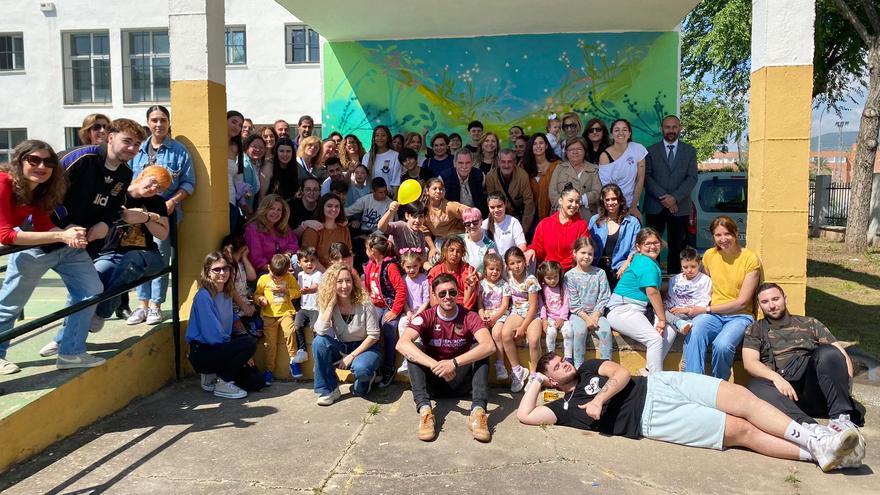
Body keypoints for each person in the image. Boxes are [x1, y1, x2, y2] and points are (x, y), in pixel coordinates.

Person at [519, 354, 866, 473]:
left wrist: (599, 400)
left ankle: (817, 439)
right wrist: (534, 380)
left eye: (559, 358)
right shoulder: (561, 409)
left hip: (659, 385)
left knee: (741, 397)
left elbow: (622, 374)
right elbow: (525, 416)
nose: (561, 362)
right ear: (551, 377)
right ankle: (815, 454)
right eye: (552, 366)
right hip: (653, 421)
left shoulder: (590, 366)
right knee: (741, 431)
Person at [0, 141, 104, 373]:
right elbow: (6, 236)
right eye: (34, 160)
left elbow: (44, 225)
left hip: (37, 245)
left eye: (48, 162)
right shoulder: (3, 182)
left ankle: (71, 353)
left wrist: (71, 234)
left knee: (91, 290)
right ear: (19, 161)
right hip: (21, 247)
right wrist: (61, 236)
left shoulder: (41, 189)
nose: (41, 166)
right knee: (9, 306)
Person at [744, 283, 864, 427]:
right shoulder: (755, 329)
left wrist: (846, 388)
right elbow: (750, 363)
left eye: (776, 299)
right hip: (786, 393)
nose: (771, 305)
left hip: (814, 385)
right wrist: (776, 378)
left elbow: (840, 354)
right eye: (765, 302)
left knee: (827, 352)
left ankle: (841, 420)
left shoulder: (810, 323)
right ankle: (809, 426)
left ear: (785, 299)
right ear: (759, 305)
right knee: (755, 386)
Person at [396, 273, 496, 442]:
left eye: (452, 292)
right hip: (434, 381)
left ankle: (478, 412)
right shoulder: (426, 316)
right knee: (414, 349)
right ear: (434, 296)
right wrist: (437, 365)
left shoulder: (469, 316)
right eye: (442, 293)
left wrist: (453, 363)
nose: (448, 297)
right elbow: (402, 344)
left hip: (461, 379)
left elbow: (489, 345)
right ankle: (425, 411)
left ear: (458, 293)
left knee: (480, 350)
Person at [130, 105, 195, 324]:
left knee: (159, 255)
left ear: (169, 122)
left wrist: (172, 201)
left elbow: (189, 183)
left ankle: (156, 305)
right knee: (139, 253)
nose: (159, 124)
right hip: (137, 212)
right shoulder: (137, 150)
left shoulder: (179, 150)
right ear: (148, 122)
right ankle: (142, 305)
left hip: (164, 213)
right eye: (155, 120)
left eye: (163, 120)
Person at [90, 166, 171, 331]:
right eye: (154, 181)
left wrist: (146, 218)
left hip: (147, 255)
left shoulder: (157, 202)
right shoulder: (118, 195)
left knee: (132, 259)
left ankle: (101, 314)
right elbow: (125, 216)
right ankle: (65, 338)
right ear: (142, 175)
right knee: (92, 278)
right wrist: (147, 216)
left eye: (160, 188)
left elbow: (163, 234)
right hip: (112, 253)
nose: (154, 188)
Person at [679, 216, 761, 380]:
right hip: (713, 315)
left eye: (727, 234)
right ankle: (693, 383)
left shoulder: (750, 258)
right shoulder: (710, 255)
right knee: (694, 332)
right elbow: (702, 285)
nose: (723, 239)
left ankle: (719, 386)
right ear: (713, 237)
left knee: (722, 345)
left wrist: (706, 309)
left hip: (740, 316)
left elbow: (742, 302)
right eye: (718, 235)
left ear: (736, 233)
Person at [186, 251, 258, 399]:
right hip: (203, 352)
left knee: (256, 382)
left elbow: (233, 322)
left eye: (225, 268)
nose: (222, 272)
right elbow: (213, 335)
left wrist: (244, 353)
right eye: (216, 269)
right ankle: (222, 382)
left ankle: (213, 377)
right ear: (208, 272)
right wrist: (240, 348)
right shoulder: (203, 297)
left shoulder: (226, 293)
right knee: (249, 343)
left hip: (220, 347)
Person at [606, 228, 677, 375]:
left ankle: (649, 371)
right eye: (647, 243)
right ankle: (656, 382)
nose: (653, 246)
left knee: (670, 330)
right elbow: (652, 292)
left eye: (656, 242)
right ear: (639, 246)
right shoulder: (647, 263)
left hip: (636, 310)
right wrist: (662, 319)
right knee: (655, 339)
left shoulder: (641, 258)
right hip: (622, 309)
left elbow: (633, 256)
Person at [312, 263, 382, 405]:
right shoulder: (329, 303)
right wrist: (330, 304)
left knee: (361, 376)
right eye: (339, 281)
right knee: (319, 342)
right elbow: (320, 330)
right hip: (343, 347)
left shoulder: (364, 301)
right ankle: (329, 390)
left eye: (348, 280)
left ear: (353, 282)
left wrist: (351, 356)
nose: (345, 286)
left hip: (366, 348)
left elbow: (374, 335)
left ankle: (368, 377)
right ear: (332, 284)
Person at [644, 115, 698, 274]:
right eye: (667, 127)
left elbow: (692, 177)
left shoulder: (689, 151)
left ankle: (676, 281)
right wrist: (665, 198)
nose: (671, 130)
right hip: (655, 206)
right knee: (652, 245)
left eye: (674, 127)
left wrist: (675, 198)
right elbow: (646, 177)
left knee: (677, 246)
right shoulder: (650, 151)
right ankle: (653, 279)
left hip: (680, 207)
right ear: (662, 129)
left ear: (680, 128)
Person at [364, 233, 408, 387]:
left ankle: (389, 368)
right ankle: (373, 365)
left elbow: (401, 290)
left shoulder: (390, 266)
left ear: (372, 250)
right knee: (368, 329)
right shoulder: (370, 265)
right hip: (375, 305)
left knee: (389, 326)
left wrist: (395, 311)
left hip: (389, 305)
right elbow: (369, 287)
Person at [254, 254, 301, 386]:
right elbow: (257, 294)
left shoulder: (289, 278)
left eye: (279, 277)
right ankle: (269, 370)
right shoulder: (263, 279)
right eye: (274, 276)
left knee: (290, 331)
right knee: (270, 344)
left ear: (286, 271)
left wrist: (287, 291)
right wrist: (260, 300)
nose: (275, 279)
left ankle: (293, 360)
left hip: (285, 312)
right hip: (269, 315)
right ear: (269, 268)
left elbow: (297, 292)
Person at [500, 247, 542, 393]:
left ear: (525, 262)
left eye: (519, 262)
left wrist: (523, 327)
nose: (516, 266)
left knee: (534, 339)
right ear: (507, 265)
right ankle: (517, 370)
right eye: (512, 263)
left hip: (532, 315)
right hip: (516, 312)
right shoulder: (507, 276)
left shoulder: (531, 280)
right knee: (505, 334)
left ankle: (534, 374)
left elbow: (533, 307)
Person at [565, 237, 612, 366]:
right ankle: (579, 367)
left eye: (590, 254)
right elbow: (573, 302)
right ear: (575, 253)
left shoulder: (600, 273)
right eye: (583, 253)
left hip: (597, 313)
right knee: (579, 332)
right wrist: (586, 318)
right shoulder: (569, 276)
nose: (586, 256)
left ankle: (606, 366)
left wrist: (596, 315)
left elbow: (604, 296)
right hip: (578, 314)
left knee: (605, 331)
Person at [525, 183, 589, 271]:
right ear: (560, 201)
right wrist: (532, 250)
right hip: (547, 274)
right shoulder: (545, 224)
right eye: (570, 201)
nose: (574, 205)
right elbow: (538, 246)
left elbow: (581, 252)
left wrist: (558, 269)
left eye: (577, 202)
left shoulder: (582, 225)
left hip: (571, 274)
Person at [588, 184, 641, 290]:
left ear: (620, 200)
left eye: (614, 199)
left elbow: (636, 249)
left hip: (621, 268)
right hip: (597, 268)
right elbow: (587, 245)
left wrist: (625, 266)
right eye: (607, 200)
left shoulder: (632, 222)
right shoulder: (594, 220)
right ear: (603, 201)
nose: (610, 203)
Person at [598, 119, 647, 222]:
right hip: (613, 207)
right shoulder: (604, 156)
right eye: (617, 130)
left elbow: (640, 180)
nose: (621, 133)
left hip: (633, 204)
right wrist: (618, 210)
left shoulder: (638, 149)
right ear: (612, 134)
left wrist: (633, 207)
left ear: (629, 133)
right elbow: (607, 188)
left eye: (624, 130)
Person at [243, 194, 299, 273]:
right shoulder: (253, 228)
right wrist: (277, 271)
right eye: (272, 208)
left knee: (297, 260)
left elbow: (294, 244)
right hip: (263, 270)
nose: (275, 212)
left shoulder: (283, 226)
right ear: (264, 209)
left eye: (279, 210)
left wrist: (287, 254)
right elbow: (256, 259)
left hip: (283, 266)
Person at [549, 137, 602, 219]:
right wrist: (566, 205)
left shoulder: (594, 169)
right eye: (571, 150)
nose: (575, 152)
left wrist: (580, 200)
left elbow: (598, 191)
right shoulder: (559, 168)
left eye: (579, 149)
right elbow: (552, 192)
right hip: (563, 216)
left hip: (588, 217)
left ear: (585, 151)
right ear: (566, 152)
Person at [395, 251, 430, 374]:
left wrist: (417, 314)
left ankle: (415, 357)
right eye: (408, 267)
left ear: (420, 264)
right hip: (409, 312)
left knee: (417, 330)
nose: (411, 270)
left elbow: (426, 301)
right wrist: (408, 312)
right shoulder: (404, 279)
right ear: (403, 266)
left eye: (414, 266)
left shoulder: (424, 280)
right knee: (402, 324)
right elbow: (403, 299)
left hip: (421, 312)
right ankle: (407, 358)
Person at [484, 149, 535, 233]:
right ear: (498, 162)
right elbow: (491, 204)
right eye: (503, 162)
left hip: (517, 217)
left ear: (514, 162)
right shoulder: (490, 177)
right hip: (498, 216)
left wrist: (523, 230)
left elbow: (529, 202)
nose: (506, 165)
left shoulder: (522, 176)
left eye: (509, 162)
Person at [665, 247, 712, 336]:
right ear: (681, 265)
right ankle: (679, 323)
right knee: (659, 310)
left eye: (693, 266)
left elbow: (705, 301)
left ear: (699, 264)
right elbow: (672, 298)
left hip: (695, 313)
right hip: (677, 313)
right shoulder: (674, 279)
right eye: (685, 267)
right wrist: (667, 305)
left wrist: (687, 310)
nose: (689, 270)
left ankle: (681, 324)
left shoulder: (705, 280)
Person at [479, 252, 511, 381]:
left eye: (498, 269)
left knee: (497, 333)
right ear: (485, 269)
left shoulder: (504, 285)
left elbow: (504, 306)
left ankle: (500, 365)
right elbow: (479, 304)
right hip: (485, 314)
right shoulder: (481, 284)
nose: (494, 272)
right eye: (491, 269)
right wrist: (482, 315)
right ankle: (481, 368)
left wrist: (494, 318)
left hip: (500, 314)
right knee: (481, 335)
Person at [291, 246, 322, 379]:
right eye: (306, 261)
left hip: (315, 308)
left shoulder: (318, 274)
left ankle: (317, 358)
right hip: (304, 308)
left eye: (312, 260)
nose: (309, 264)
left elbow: (316, 287)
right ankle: (302, 350)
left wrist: (308, 290)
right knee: (297, 325)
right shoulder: (299, 275)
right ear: (299, 263)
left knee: (315, 329)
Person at [301, 193, 351, 269]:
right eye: (329, 206)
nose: (334, 209)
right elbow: (309, 259)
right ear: (322, 207)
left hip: (341, 271)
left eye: (337, 206)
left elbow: (349, 255)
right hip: (319, 274)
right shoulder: (312, 231)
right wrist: (328, 275)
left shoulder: (344, 229)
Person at [427, 236, 479, 310]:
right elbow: (433, 302)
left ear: (462, 254)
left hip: (462, 310)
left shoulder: (469, 271)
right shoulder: (435, 271)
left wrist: (470, 287)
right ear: (445, 252)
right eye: (451, 250)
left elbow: (468, 303)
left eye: (458, 251)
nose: (454, 254)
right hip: (441, 310)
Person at [521, 133, 561, 223]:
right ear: (531, 147)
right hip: (531, 215)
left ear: (546, 146)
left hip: (554, 213)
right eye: (535, 144)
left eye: (541, 143)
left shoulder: (557, 165)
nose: (538, 146)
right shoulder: (525, 167)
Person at [537, 260, 570, 363]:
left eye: (555, 277)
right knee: (551, 332)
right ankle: (550, 357)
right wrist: (544, 319)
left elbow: (566, 303)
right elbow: (541, 305)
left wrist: (562, 318)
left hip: (563, 317)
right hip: (550, 317)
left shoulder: (563, 287)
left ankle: (569, 357)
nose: (553, 280)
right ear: (543, 277)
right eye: (549, 278)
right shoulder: (542, 289)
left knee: (568, 332)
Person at [482, 193, 528, 264]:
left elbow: (522, 245)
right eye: (492, 207)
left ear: (505, 204)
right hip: (494, 265)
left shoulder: (513, 222)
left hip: (511, 263)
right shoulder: (484, 225)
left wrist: (512, 261)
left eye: (499, 206)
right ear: (488, 207)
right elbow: (486, 247)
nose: (496, 210)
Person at [439, 148, 487, 216]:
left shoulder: (480, 175)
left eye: (467, 163)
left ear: (472, 163)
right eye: (460, 163)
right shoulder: (443, 178)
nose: (464, 167)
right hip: (453, 218)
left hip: (475, 218)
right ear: (454, 163)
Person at [363, 125, 402, 196]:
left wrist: (394, 200)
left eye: (383, 135)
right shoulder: (367, 156)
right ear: (374, 138)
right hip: (369, 197)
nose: (380, 138)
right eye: (377, 135)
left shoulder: (395, 155)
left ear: (388, 137)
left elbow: (396, 182)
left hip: (387, 197)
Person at [460, 207, 496, 273]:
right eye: (468, 224)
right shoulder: (459, 241)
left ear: (481, 221)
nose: (471, 226)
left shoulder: (489, 244)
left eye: (475, 222)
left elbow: (491, 265)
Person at [264, 137, 298, 202]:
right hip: (272, 208)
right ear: (276, 152)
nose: (285, 154)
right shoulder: (269, 167)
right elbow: (262, 195)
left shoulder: (295, 167)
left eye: (288, 151)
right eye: (281, 151)